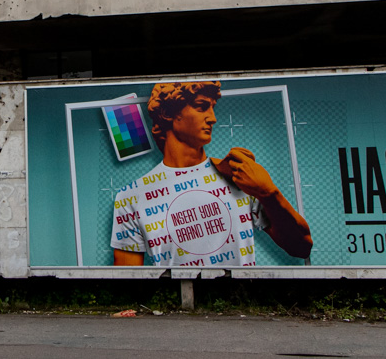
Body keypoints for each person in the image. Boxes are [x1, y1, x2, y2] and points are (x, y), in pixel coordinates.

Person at [110, 81, 312, 267]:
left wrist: (269, 193)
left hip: (239, 303)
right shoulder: (131, 197)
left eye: (213, 107)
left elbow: (302, 247)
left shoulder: (239, 175)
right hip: (175, 305)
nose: (213, 118)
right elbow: (128, 283)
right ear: (167, 113)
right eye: (201, 106)